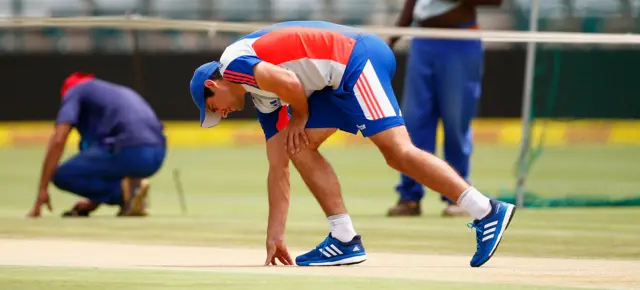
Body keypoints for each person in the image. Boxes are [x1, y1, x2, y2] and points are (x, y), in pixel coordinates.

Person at [190, 21, 515, 268]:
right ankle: (344, 238)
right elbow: (278, 169)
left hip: (358, 57)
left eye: (214, 107)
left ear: (212, 84)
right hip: (338, 75)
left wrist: (300, 116)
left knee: (397, 152)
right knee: (296, 146)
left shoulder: (233, 64)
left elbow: (290, 83)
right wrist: (275, 236)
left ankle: (485, 210)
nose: (223, 114)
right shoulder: (262, 97)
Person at [387, 0, 505, 217]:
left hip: (460, 42)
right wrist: (393, 37)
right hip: (424, 42)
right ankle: (409, 196)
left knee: (456, 121)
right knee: (414, 121)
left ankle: (457, 196)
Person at [27, 72, 167, 218]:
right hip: (157, 155)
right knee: (99, 154)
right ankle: (133, 195)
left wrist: (42, 189)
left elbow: (58, 139)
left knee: (62, 175)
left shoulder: (74, 92)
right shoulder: (116, 92)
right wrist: (94, 201)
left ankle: (125, 194)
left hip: (129, 150)